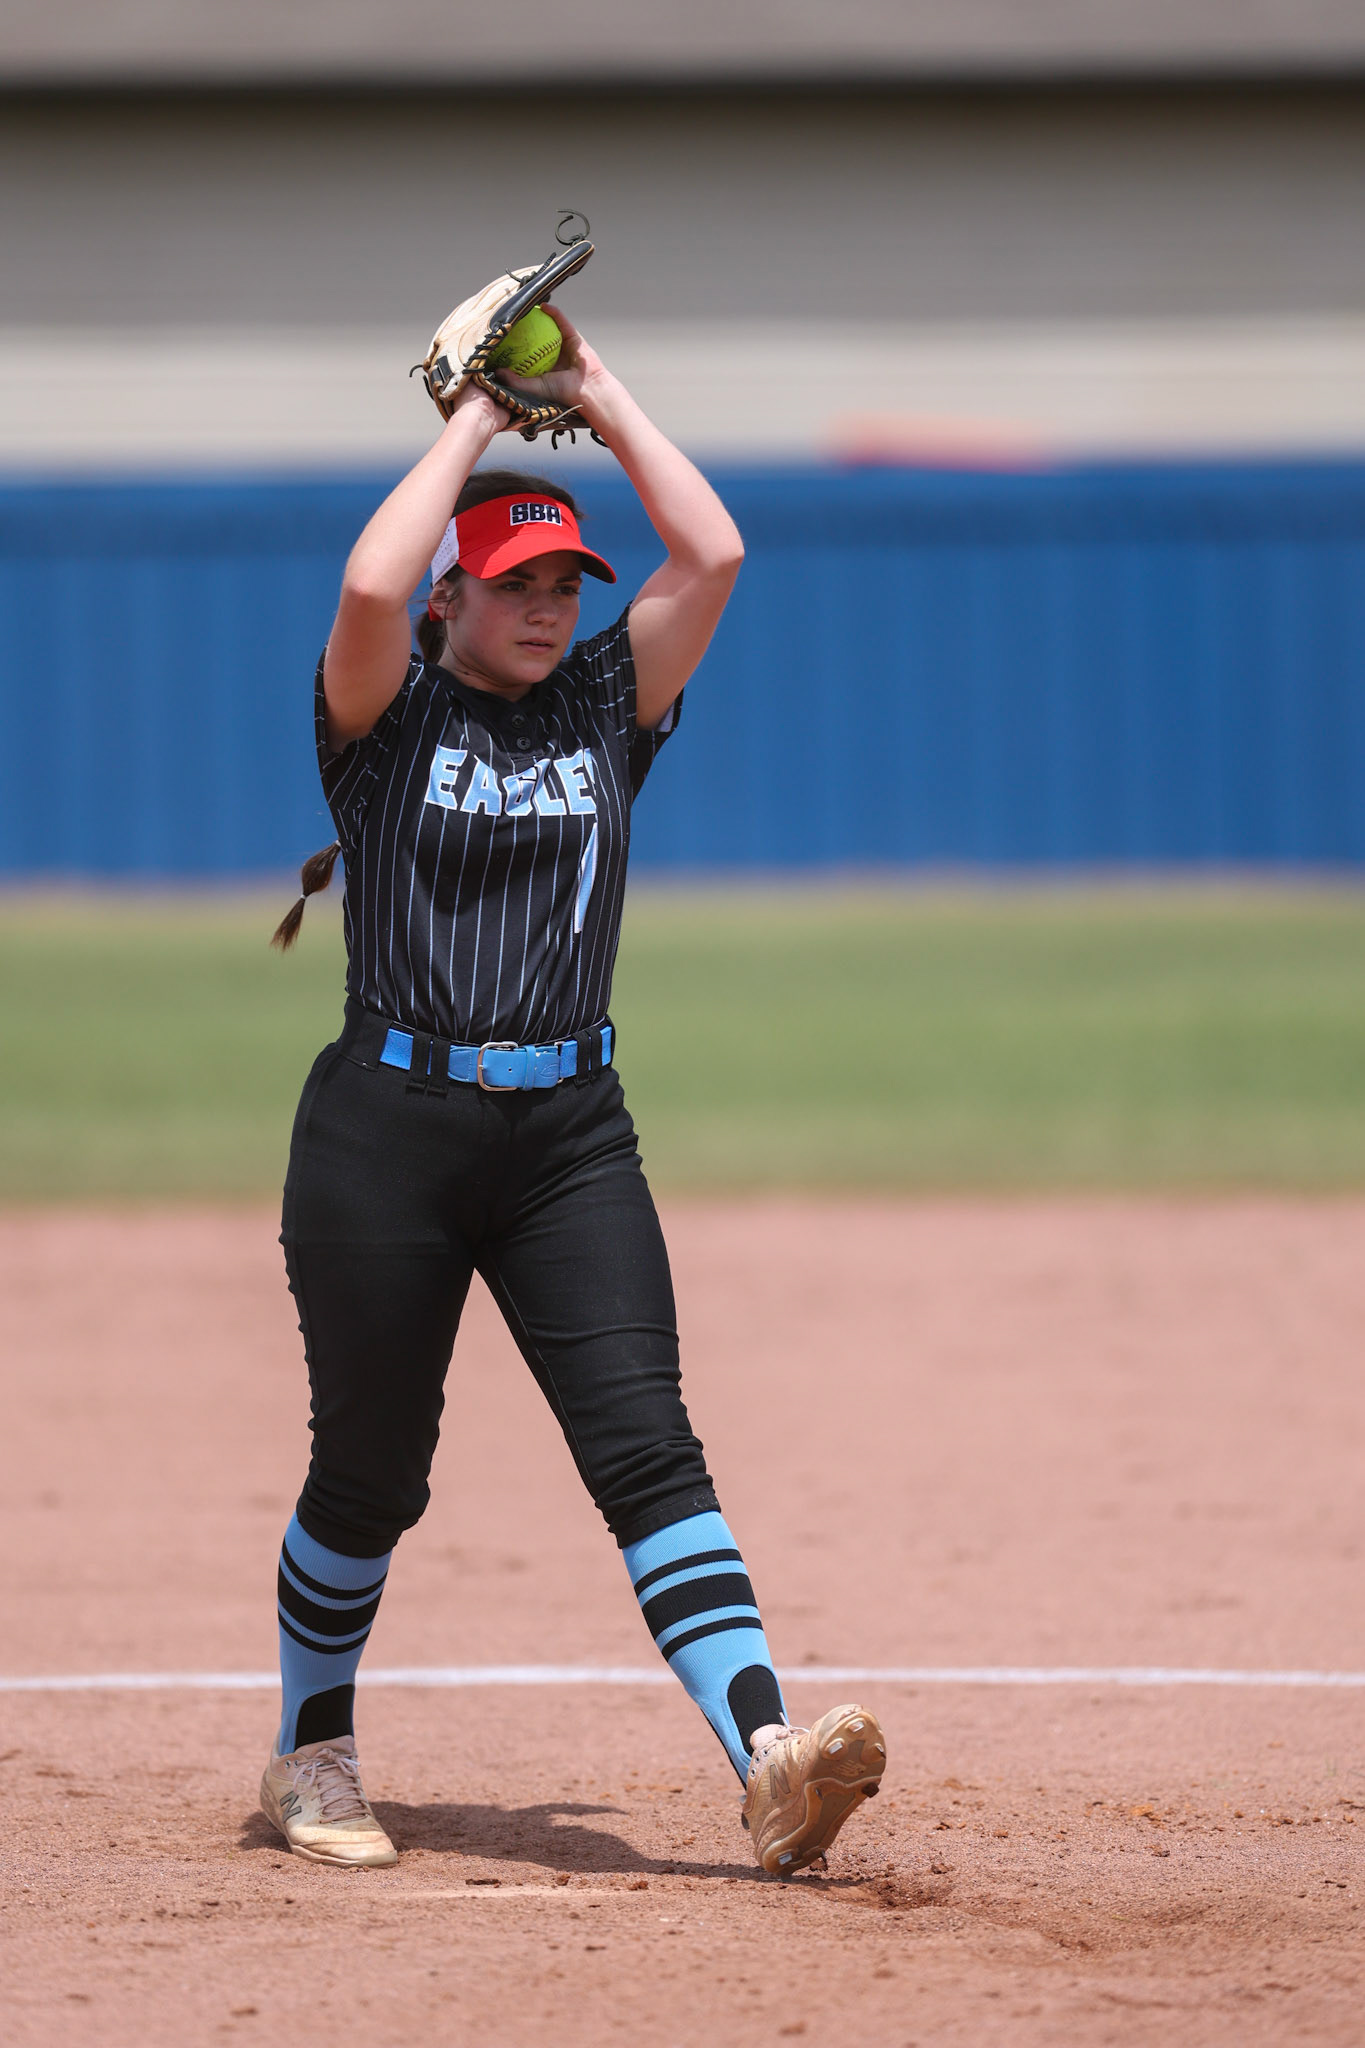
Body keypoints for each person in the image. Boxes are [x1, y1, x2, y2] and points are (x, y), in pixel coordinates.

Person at [258, 303, 885, 1875]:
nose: (546, 606)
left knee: (646, 1446)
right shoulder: (382, 719)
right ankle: (311, 1755)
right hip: (382, 1139)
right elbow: (364, 584)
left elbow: (716, 553)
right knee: (373, 1467)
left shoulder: (608, 704)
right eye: (517, 581)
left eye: (562, 583)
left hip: (566, 1139)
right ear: (457, 596)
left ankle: (767, 1758)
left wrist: (595, 390)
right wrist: (472, 414)